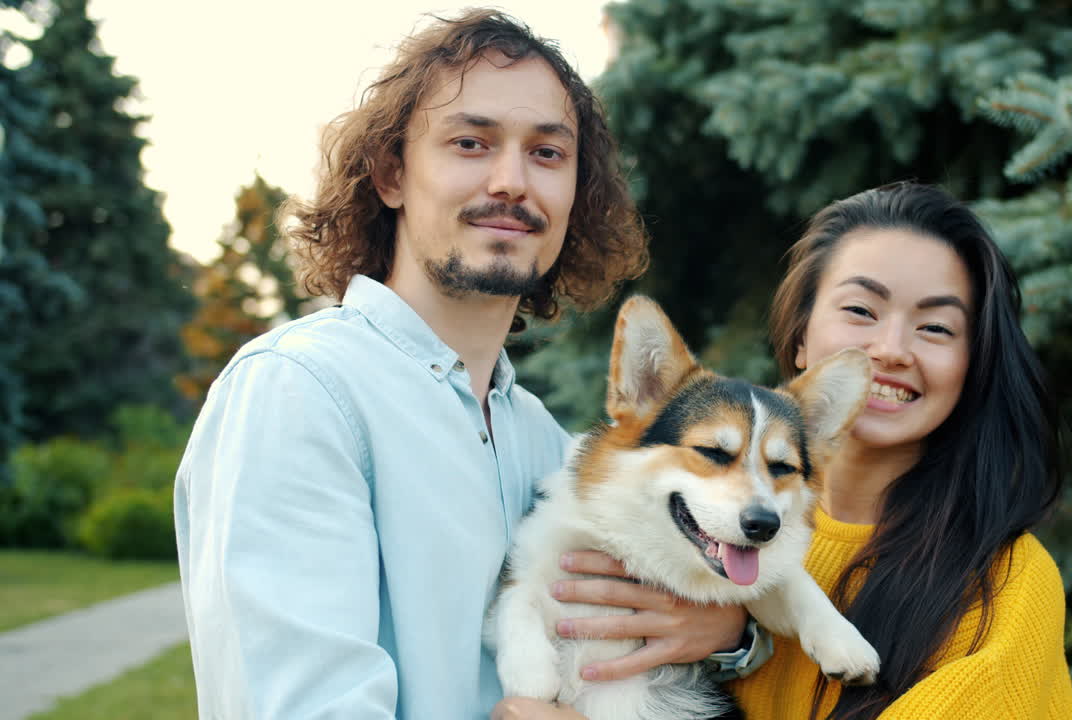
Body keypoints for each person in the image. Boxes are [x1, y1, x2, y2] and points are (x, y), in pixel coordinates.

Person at [174, 10, 748, 720]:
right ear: (391, 175)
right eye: (470, 143)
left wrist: (732, 634)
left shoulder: (541, 437)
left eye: (547, 153)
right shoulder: (298, 390)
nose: (511, 181)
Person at [726, 181, 1072, 718]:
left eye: (935, 327)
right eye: (861, 310)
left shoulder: (1006, 584)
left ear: (972, 366)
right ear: (800, 337)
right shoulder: (707, 528)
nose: (891, 350)